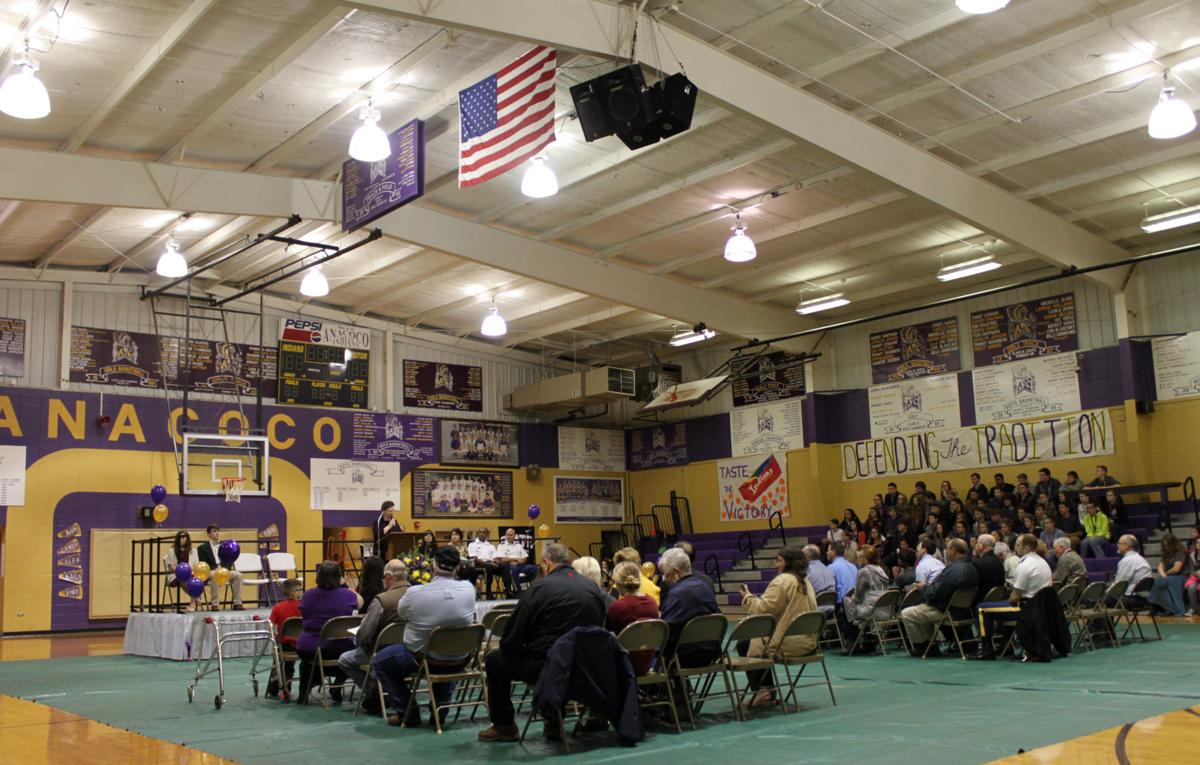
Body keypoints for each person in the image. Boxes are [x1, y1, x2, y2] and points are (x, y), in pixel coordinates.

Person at [478, 543, 606, 742]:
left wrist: (519, 648)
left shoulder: (539, 588)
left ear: (546, 563)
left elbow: (512, 636)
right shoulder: (592, 587)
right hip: (585, 667)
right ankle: (552, 720)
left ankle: (504, 726)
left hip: (547, 665)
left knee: (495, 660)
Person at [373, 548, 476, 727]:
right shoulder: (469, 589)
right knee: (448, 650)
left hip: (422, 658)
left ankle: (407, 712)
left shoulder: (415, 593)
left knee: (380, 661)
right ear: (457, 568)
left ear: (433, 567)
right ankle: (441, 708)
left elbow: (402, 614)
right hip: (460, 658)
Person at [738, 545, 817, 704]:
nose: (776, 565)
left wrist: (748, 597)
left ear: (789, 562)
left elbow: (762, 610)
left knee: (745, 643)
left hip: (788, 644)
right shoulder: (806, 582)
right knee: (757, 643)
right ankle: (767, 689)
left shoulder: (782, 581)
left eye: (779, 561)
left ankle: (763, 690)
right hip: (809, 642)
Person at [338, 559, 408, 714]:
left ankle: (375, 692)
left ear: (388, 577)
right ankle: (381, 690)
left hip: (380, 652)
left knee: (344, 660)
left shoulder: (381, 601)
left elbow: (365, 633)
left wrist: (359, 642)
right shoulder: (417, 595)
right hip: (409, 650)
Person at [975, 534, 1053, 661]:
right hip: (1041, 607)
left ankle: (986, 650)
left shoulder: (1024, 565)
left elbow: (1015, 598)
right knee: (1001, 605)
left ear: (1027, 548)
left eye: (1017, 545)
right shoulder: (1043, 562)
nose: (1015, 548)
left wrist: (1008, 599)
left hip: (1026, 608)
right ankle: (1005, 645)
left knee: (982, 609)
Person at [900, 538, 979, 657]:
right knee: (922, 609)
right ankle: (930, 645)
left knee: (906, 614)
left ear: (953, 550)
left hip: (946, 610)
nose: (946, 552)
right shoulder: (972, 567)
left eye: (947, 549)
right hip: (965, 610)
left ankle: (923, 647)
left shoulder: (952, 570)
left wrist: (924, 588)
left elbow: (935, 593)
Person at [296, 561, 360, 704]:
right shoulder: (349, 595)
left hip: (311, 647)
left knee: (306, 662)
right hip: (340, 646)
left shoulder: (308, 595)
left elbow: (304, 616)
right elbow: (358, 605)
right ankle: (338, 684)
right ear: (339, 577)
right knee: (353, 654)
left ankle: (304, 692)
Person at [659, 547, 721, 668]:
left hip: (683, 657)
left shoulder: (676, 594)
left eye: (667, 575)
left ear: (676, 572)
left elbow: (666, 631)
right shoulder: (705, 586)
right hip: (711, 652)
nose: (665, 580)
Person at [605, 561, 659, 675]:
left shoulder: (618, 606)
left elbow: (607, 633)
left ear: (618, 583)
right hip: (648, 663)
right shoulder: (652, 602)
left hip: (625, 665)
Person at [843, 544, 891, 654]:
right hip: (884, 610)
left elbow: (858, 597)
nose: (858, 559)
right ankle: (869, 641)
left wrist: (852, 599)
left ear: (866, 558)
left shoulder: (863, 572)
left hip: (870, 611)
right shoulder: (881, 570)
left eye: (860, 557)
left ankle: (853, 643)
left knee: (845, 601)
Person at [267, 578, 303, 699]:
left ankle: (275, 686)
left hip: (285, 646)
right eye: (300, 589)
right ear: (293, 592)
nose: (302, 592)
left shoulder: (277, 608)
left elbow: (270, 626)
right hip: (302, 645)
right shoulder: (304, 607)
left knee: (278, 658)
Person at [197, 524, 244, 610]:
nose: (217, 533)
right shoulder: (202, 548)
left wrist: (225, 568)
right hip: (211, 571)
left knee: (238, 575)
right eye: (214, 531)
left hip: (224, 570)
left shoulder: (225, 545)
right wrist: (215, 569)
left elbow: (229, 560)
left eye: (218, 531)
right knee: (215, 574)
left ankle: (237, 603)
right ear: (208, 534)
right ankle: (214, 604)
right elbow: (204, 564)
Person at [1149, 533, 1191, 617]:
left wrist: (1166, 574)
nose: (1166, 547)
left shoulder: (1180, 552)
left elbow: (1176, 569)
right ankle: (1171, 609)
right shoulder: (1166, 553)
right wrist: (1163, 575)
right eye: (1164, 545)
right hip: (1169, 577)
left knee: (1170, 581)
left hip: (1182, 577)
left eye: (1168, 545)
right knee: (1157, 582)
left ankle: (1179, 610)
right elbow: (1160, 567)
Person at [164, 530, 202, 611]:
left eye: (184, 537)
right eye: (181, 537)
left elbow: (196, 565)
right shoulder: (172, 550)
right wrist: (181, 570)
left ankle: (193, 602)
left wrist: (189, 572)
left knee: (193, 580)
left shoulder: (193, 551)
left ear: (187, 538)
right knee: (183, 578)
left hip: (191, 574)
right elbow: (171, 566)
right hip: (176, 574)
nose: (182, 539)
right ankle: (196, 597)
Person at [1110, 535, 1153, 606]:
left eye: (1119, 543)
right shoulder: (1141, 559)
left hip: (1130, 599)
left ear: (1127, 546)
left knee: (1095, 599)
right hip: (1143, 598)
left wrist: (1105, 593)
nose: (1117, 545)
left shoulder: (1127, 561)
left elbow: (1119, 585)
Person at [495, 528, 538, 598]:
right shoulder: (501, 545)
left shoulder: (518, 545)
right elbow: (502, 559)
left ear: (514, 536)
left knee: (534, 568)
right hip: (509, 566)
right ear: (505, 535)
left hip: (519, 565)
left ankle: (532, 590)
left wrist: (519, 562)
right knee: (513, 570)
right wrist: (517, 559)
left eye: (511, 535)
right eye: (507, 535)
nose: (509, 536)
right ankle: (518, 592)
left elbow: (525, 557)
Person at [971, 534, 1006, 602]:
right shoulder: (999, 562)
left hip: (980, 601)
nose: (975, 545)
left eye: (977, 543)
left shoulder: (978, 563)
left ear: (982, 546)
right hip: (996, 600)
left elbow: (971, 587)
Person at [467, 527, 499, 599]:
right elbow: (475, 559)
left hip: (491, 564)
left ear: (487, 534)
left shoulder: (491, 546)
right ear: (477, 534)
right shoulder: (472, 544)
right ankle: (488, 591)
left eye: (484, 532)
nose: (481, 534)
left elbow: (495, 558)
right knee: (489, 566)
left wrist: (497, 561)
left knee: (505, 566)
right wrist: (490, 563)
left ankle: (508, 590)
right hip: (478, 564)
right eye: (480, 532)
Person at [1186, 527, 1200, 616]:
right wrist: (1196, 574)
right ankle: (1194, 608)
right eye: (1197, 543)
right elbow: (1191, 569)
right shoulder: (1192, 555)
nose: (1199, 544)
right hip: (1196, 577)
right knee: (1191, 588)